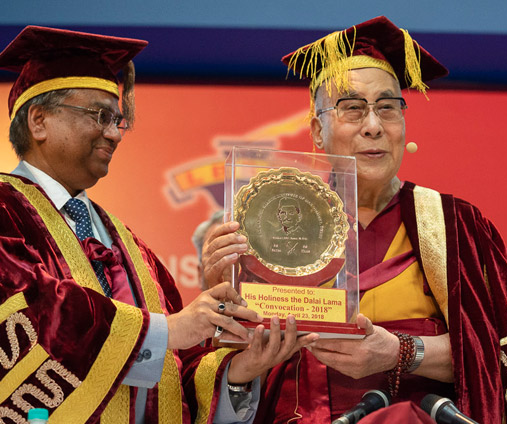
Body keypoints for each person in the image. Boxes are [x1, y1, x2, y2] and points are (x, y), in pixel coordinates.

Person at [203, 16, 507, 423]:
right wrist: (226, 312)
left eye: (387, 108)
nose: (373, 126)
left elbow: (496, 357)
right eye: (352, 109)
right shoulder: (267, 223)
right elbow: (233, 372)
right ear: (317, 130)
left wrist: (401, 351)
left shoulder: (456, 224)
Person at [0, 26, 316, 423]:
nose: (115, 133)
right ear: (39, 120)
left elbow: (175, 376)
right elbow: (36, 307)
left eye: (119, 120)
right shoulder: (6, 211)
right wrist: (167, 331)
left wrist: (240, 371)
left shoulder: (132, 248)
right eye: (100, 115)